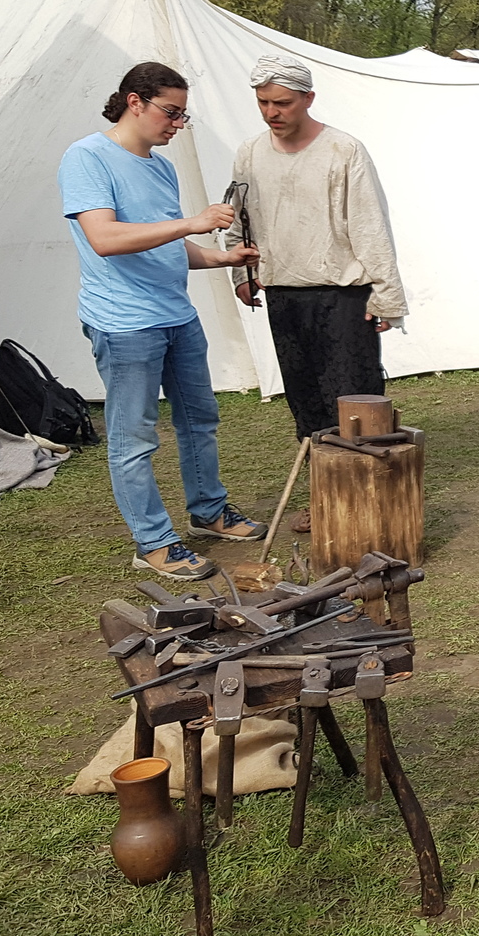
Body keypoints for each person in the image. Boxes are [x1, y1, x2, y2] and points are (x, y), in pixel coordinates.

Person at [58, 62, 266, 580]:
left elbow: (165, 240)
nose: (177, 124)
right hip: (125, 324)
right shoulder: (86, 158)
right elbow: (105, 239)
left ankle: (208, 511)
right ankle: (152, 541)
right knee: (134, 437)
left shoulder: (158, 165)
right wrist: (193, 221)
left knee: (201, 420)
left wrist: (221, 258)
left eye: (183, 115)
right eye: (170, 113)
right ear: (135, 102)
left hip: (177, 315)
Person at [230, 53, 408, 533]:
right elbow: (241, 217)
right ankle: (327, 498)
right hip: (284, 295)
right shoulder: (249, 153)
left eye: (283, 102)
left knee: (354, 398)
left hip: (342, 297)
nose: (273, 112)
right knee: (305, 401)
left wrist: (385, 296)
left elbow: (370, 227)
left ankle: (369, 499)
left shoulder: (342, 150)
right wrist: (241, 271)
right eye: (264, 102)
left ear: (308, 98)